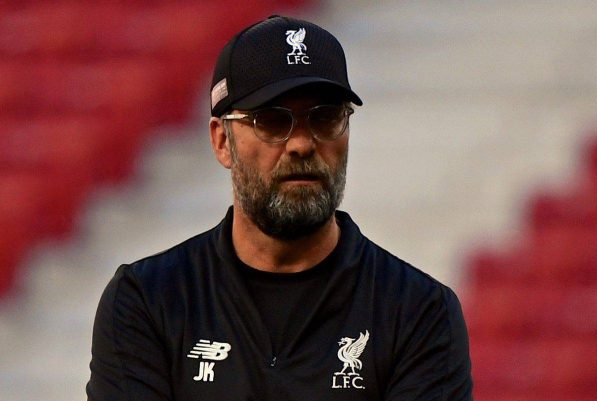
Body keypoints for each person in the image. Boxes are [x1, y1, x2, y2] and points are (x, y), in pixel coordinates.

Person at [87, 15, 473, 401]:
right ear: (222, 141)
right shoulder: (149, 301)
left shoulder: (418, 312)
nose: (302, 144)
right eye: (272, 121)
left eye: (325, 117)